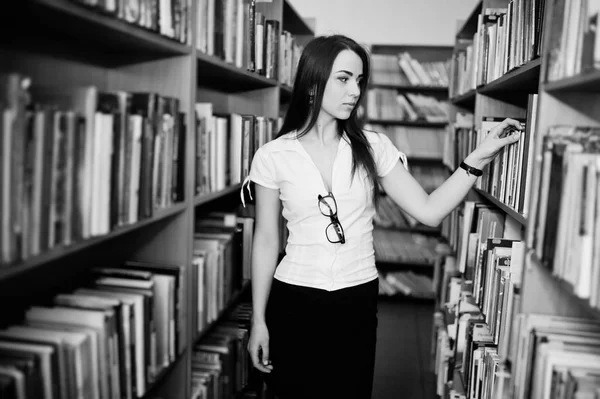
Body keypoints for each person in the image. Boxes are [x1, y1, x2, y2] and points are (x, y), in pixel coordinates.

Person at [241, 34, 522, 399]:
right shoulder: (272, 155)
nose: (354, 91)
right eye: (343, 79)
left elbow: (429, 211)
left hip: (356, 299)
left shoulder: (374, 147)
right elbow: (265, 239)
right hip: (294, 300)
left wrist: (480, 156)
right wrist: (259, 320)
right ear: (313, 82)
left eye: (359, 81)